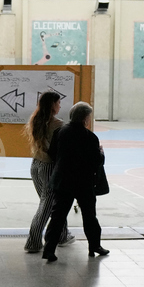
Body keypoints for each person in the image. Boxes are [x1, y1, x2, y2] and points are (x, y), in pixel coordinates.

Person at [42, 101, 108, 263]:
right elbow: (96, 161)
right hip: (83, 183)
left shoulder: (60, 132)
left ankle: (49, 250)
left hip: (63, 180)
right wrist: (101, 153)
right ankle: (94, 246)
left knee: (57, 216)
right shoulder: (90, 137)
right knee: (89, 216)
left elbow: (52, 153)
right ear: (85, 118)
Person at [23, 92, 74, 253]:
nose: (60, 106)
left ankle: (62, 235)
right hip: (48, 167)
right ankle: (33, 241)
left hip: (35, 165)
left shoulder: (35, 119)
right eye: (58, 103)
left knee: (52, 203)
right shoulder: (58, 124)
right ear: (52, 104)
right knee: (47, 205)